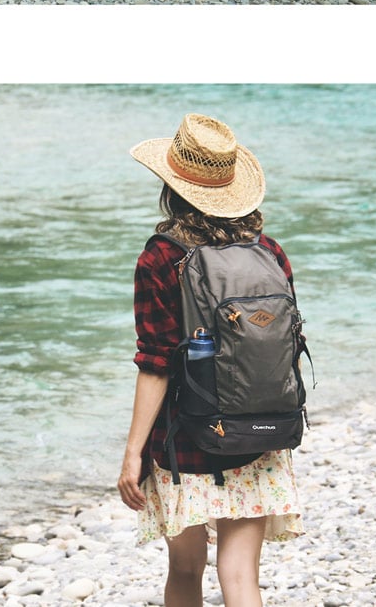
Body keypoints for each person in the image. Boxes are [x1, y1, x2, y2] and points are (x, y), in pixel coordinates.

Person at [118, 114, 304, 607]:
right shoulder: (269, 250)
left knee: (185, 569)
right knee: (241, 576)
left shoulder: (161, 257)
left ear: (171, 186)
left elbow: (155, 362)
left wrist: (133, 451)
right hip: (261, 430)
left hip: (187, 437)